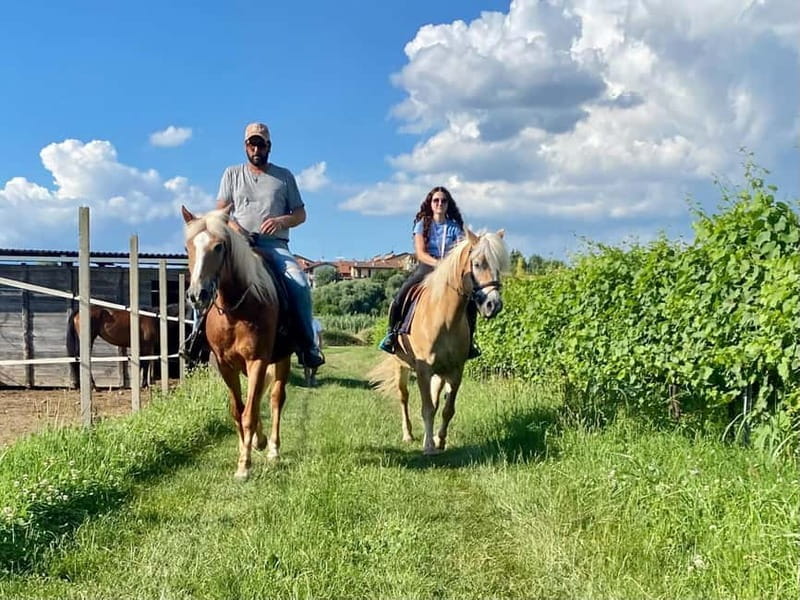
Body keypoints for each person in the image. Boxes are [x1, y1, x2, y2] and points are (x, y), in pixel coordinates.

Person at [215, 122, 324, 369]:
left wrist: (281, 220)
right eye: (252, 143)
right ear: (245, 146)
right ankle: (196, 340)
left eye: (261, 143)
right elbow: (220, 212)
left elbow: (300, 214)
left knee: (299, 283)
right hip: (238, 244)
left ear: (269, 146)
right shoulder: (231, 174)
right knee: (209, 275)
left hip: (274, 246)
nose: (256, 148)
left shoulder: (284, 176)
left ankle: (308, 346)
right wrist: (237, 230)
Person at [378, 186, 479, 358]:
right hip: (428, 265)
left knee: (470, 299)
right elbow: (420, 253)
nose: (440, 203)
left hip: (450, 270)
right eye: (436, 200)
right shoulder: (422, 225)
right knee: (402, 294)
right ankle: (392, 334)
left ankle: (470, 341)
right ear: (430, 203)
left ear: (448, 204)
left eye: (444, 201)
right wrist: (437, 263)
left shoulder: (455, 228)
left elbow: (462, 250)